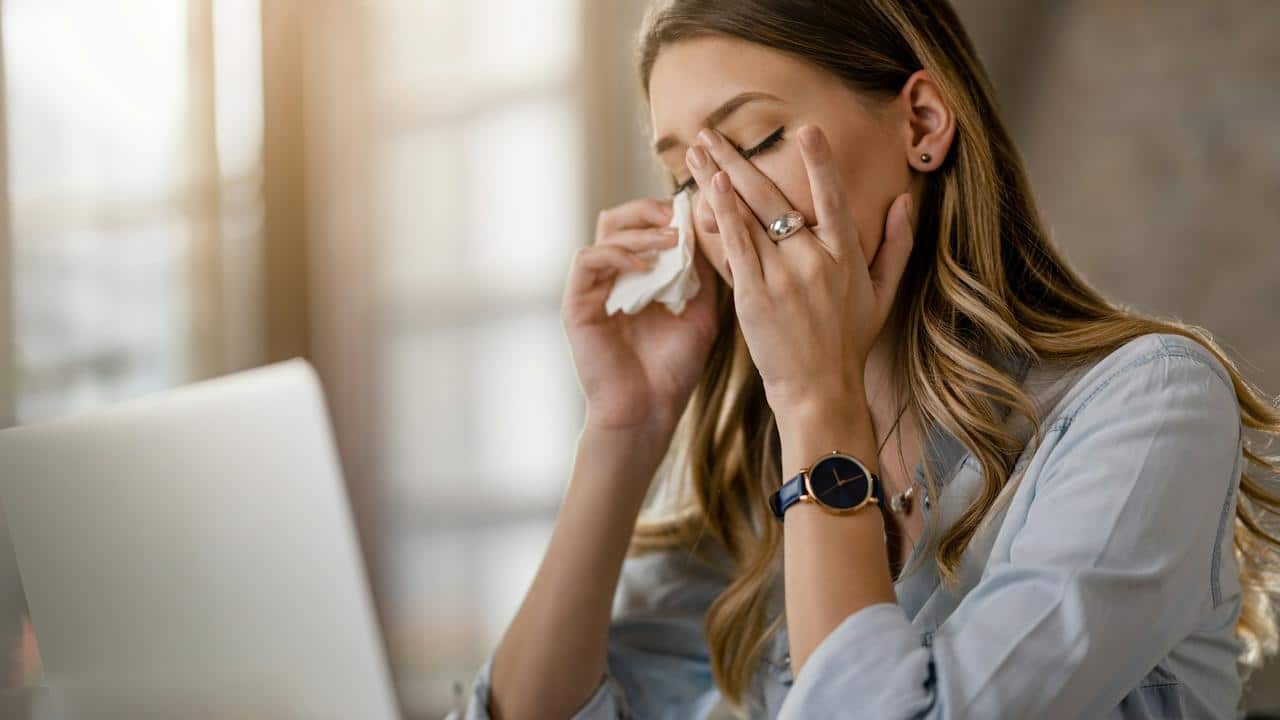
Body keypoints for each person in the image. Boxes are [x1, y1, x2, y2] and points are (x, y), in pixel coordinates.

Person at [449, 1, 1280, 717]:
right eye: (687, 178)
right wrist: (625, 425)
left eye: (756, 140)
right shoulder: (747, 480)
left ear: (920, 123)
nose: (720, 209)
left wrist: (819, 405)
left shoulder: (1149, 405)